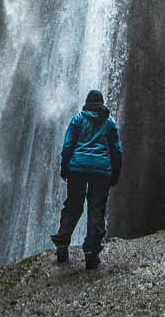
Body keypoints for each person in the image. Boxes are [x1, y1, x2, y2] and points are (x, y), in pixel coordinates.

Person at [50, 89, 122, 269]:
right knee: (96, 210)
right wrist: (115, 173)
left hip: (78, 169)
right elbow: (117, 151)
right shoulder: (109, 123)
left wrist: (65, 166)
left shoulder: (78, 119)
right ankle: (91, 251)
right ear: (102, 103)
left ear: (87, 102)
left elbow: (68, 145)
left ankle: (62, 242)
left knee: (73, 205)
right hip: (101, 171)